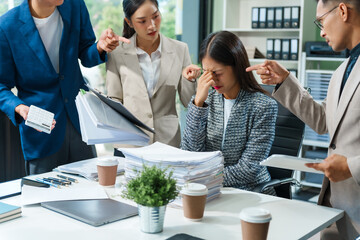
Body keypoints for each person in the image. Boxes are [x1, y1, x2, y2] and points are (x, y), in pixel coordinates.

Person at [246, 0, 360, 238]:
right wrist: (285, 80)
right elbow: (324, 121)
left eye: (321, 20)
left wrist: (352, 167)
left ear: (342, 11)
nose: (321, 31)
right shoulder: (342, 71)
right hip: (339, 204)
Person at [0, 0, 129, 175]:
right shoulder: (7, 26)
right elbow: (1, 85)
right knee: (45, 198)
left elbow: (86, 52)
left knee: (88, 195)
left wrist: (100, 46)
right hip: (42, 131)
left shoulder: (75, 6)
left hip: (80, 121)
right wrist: (19, 107)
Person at [181, 31, 277, 193]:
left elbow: (248, 169)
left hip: (250, 192)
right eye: (206, 72)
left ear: (237, 66)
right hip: (208, 190)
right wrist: (198, 104)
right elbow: (189, 153)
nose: (212, 80)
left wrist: (204, 178)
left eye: (217, 73)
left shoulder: (263, 106)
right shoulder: (206, 101)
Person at [106, 0, 198, 156]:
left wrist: (189, 80)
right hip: (129, 144)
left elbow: (188, 101)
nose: (152, 25)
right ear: (129, 22)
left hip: (167, 142)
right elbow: (114, 100)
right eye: (142, 21)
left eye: (155, 16)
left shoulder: (180, 49)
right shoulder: (116, 53)